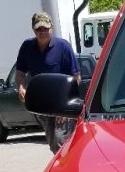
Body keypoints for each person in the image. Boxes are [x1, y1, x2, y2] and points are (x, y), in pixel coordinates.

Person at [15, 12, 80, 153]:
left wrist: (65, 107)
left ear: (52, 27)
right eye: (39, 29)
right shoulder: (27, 47)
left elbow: (76, 77)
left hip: (62, 103)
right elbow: (20, 73)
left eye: (46, 28)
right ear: (33, 29)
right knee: (53, 144)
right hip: (42, 104)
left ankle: (68, 171)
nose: (42, 32)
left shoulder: (63, 47)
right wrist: (21, 88)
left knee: (60, 141)